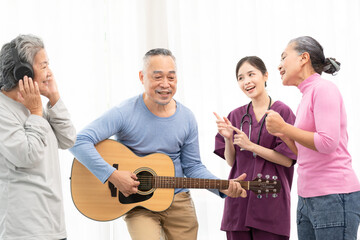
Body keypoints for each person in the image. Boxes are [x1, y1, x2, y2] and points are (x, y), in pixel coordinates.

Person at [69, 48, 247, 240]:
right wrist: (113, 175)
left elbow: (193, 166)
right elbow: (78, 141)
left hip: (179, 200)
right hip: (138, 204)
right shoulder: (124, 112)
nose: (165, 84)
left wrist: (222, 186)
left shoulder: (186, 118)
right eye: (157, 77)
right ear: (142, 77)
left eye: (171, 77)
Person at [266, 36, 360, 240]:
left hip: (333, 197)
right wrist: (284, 133)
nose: (279, 65)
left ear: (303, 58)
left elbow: (327, 143)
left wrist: (285, 128)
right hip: (307, 198)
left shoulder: (323, 89)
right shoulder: (306, 96)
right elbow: (305, 153)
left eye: (283, 57)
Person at [0, 34, 76, 240]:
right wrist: (35, 113)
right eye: (43, 66)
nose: (49, 72)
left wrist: (53, 98)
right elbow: (27, 156)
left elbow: (68, 139)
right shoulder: (4, 110)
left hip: (53, 226)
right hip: (25, 231)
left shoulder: (34, 105)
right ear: (22, 72)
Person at [213, 56, 297, 240]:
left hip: (271, 202)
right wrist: (228, 139)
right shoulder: (235, 115)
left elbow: (288, 159)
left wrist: (251, 146)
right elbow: (231, 162)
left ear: (265, 75)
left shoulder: (282, 112)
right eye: (241, 78)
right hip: (238, 202)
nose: (246, 81)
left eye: (251, 74)